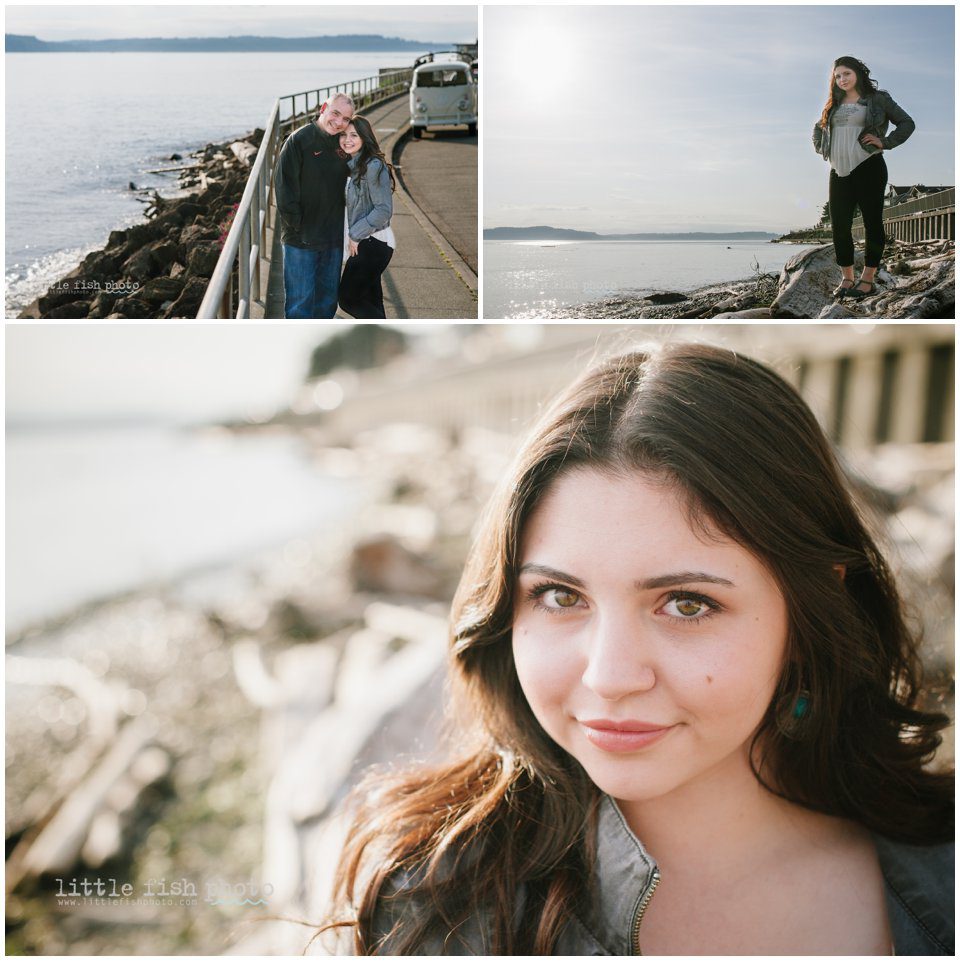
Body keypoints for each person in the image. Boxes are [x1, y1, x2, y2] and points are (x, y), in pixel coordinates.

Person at [316, 344, 954, 955]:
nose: (611, 676)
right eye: (561, 596)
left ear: (813, 606)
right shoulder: (427, 903)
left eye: (687, 604)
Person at [812, 57, 915, 302]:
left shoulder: (877, 99)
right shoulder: (834, 104)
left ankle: (867, 279)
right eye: (837, 76)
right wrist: (822, 148)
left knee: (872, 223)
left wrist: (885, 142)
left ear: (858, 73)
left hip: (869, 166)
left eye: (846, 73)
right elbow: (818, 128)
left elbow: (907, 123)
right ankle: (847, 278)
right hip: (838, 171)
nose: (842, 79)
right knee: (839, 226)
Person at [275, 93, 355, 318]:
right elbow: (284, 190)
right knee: (299, 307)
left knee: (327, 304)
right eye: (335, 113)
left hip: (333, 239)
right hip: (301, 241)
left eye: (346, 119)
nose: (339, 122)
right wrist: (300, 227)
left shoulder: (344, 144)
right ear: (323, 109)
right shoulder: (298, 140)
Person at [338, 117, 396, 320]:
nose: (347, 139)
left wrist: (355, 234)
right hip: (366, 242)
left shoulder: (373, 166)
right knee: (371, 301)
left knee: (348, 299)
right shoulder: (353, 164)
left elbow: (383, 210)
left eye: (354, 135)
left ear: (365, 137)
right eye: (343, 135)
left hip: (373, 243)